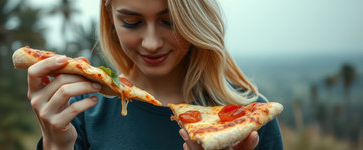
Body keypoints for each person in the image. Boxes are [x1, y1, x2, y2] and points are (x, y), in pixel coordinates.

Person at [27, 0, 283, 149]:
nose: (151, 43)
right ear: (110, 16)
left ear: (195, 19)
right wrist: (56, 145)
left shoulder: (248, 116)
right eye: (132, 22)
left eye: (169, 22)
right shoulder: (79, 113)